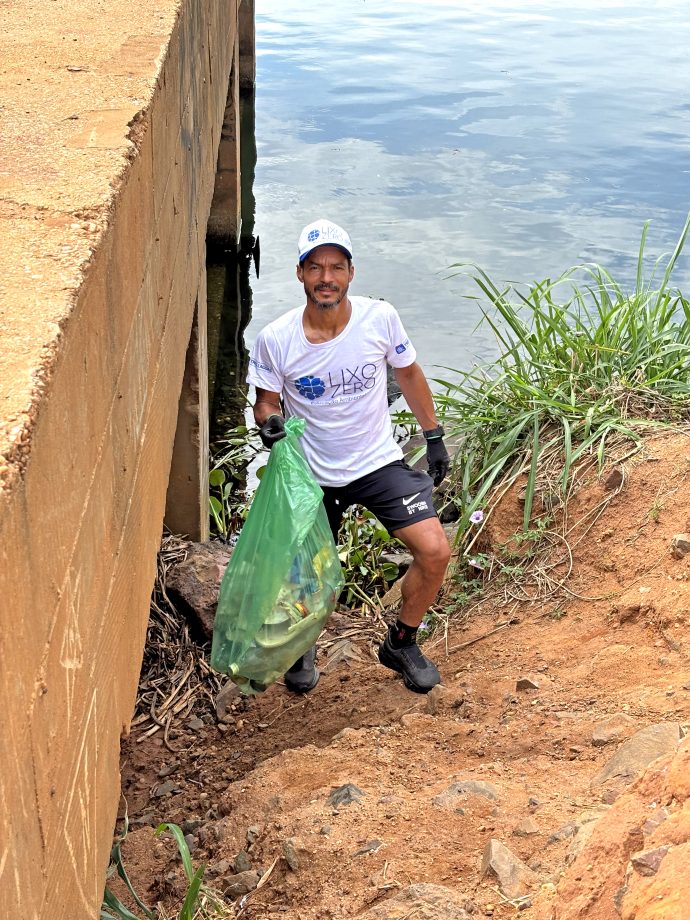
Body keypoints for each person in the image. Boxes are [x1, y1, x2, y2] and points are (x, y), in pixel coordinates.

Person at [246, 218, 451, 695]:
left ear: (351, 273)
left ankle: (401, 641)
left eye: (336, 267)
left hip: (377, 462)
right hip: (312, 474)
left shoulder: (379, 319)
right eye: (315, 267)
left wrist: (434, 435)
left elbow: (410, 374)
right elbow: (266, 403)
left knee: (435, 550)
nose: (326, 277)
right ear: (300, 274)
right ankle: (300, 647)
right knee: (306, 576)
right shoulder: (276, 339)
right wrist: (269, 426)